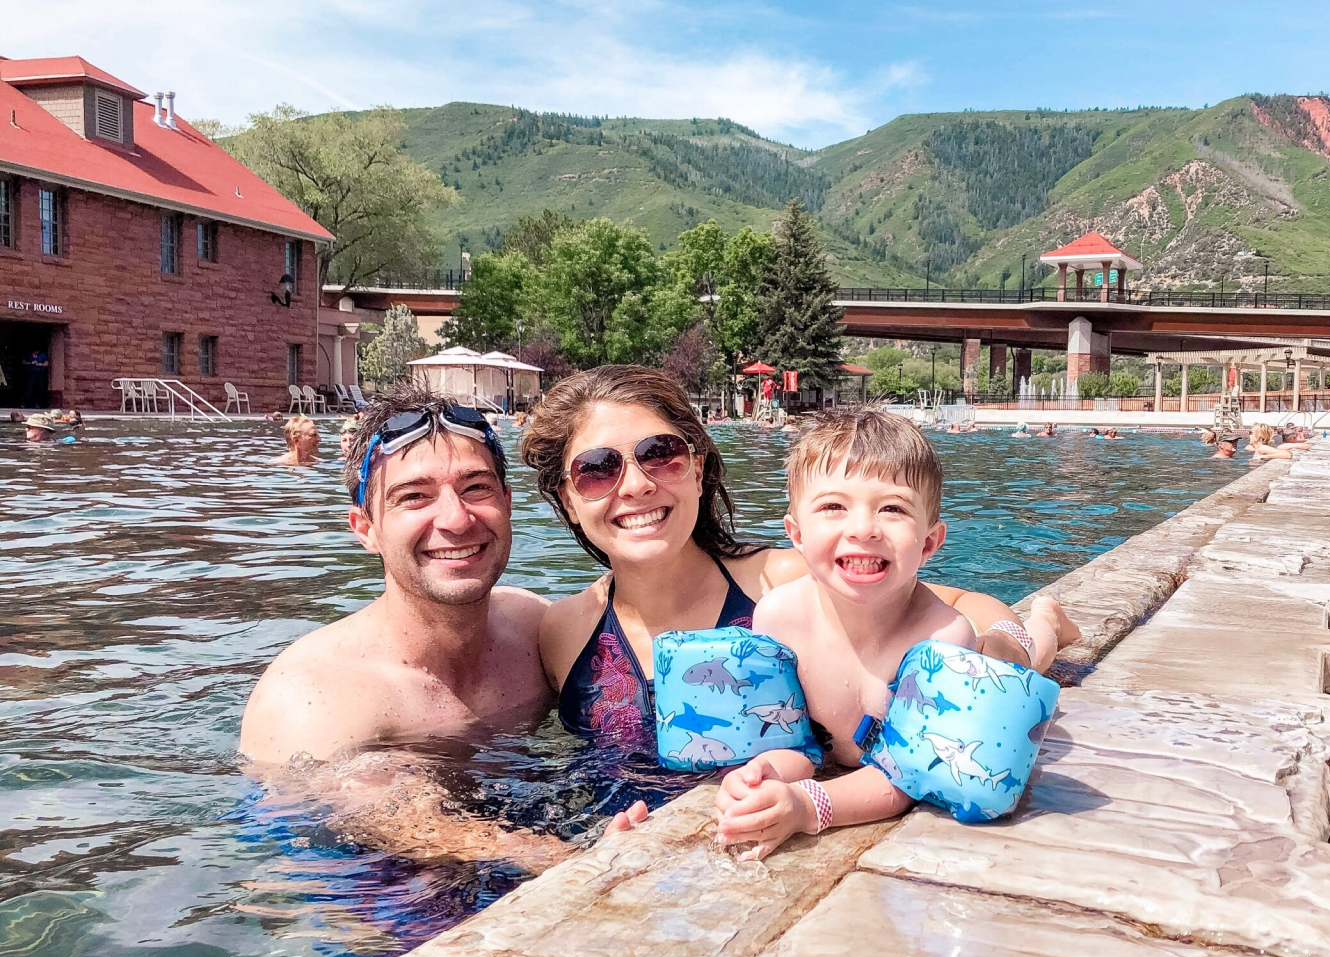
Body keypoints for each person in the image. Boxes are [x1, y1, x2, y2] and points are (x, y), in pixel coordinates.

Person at [520, 366, 1076, 750]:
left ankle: (1047, 622)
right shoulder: (564, 631)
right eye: (597, 468)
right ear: (568, 500)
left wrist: (1006, 653)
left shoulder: (781, 581)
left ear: (698, 468)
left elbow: (967, 606)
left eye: (660, 455)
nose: (637, 485)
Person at [240, 385, 645, 870]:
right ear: (365, 528)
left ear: (508, 503)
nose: (455, 518)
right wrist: (570, 860)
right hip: (373, 888)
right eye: (414, 497)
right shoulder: (311, 696)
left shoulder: (535, 626)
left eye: (476, 488)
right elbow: (357, 829)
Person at [713, 409, 990, 859]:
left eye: (893, 508)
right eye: (833, 507)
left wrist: (808, 806)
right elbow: (799, 743)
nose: (862, 529)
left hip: (976, 666)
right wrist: (762, 774)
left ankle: (1044, 625)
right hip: (839, 753)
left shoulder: (944, 640)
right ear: (797, 536)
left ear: (929, 544)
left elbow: (912, 775)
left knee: (1019, 655)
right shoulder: (779, 618)